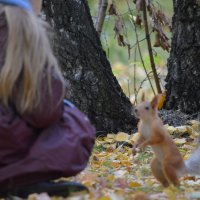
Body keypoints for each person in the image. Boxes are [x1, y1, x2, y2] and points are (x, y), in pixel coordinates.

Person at [0, 0, 95, 197]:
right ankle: (19, 178)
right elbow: (44, 113)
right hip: (11, 147)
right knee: (74, 124)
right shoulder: (26, 41)